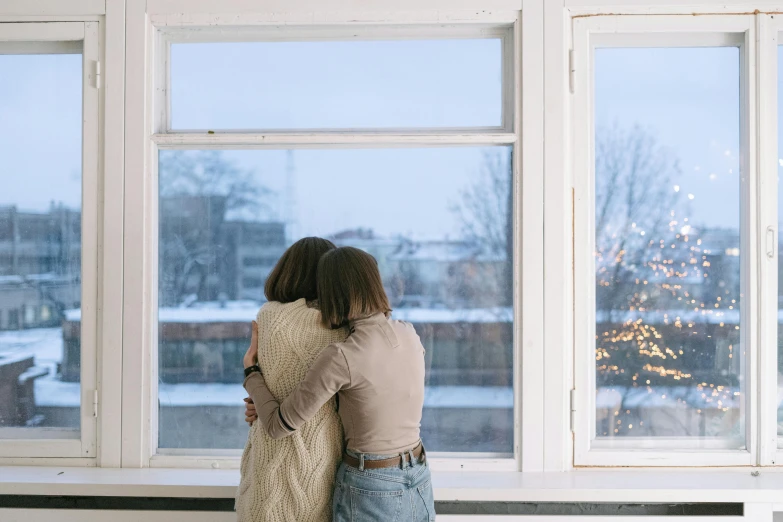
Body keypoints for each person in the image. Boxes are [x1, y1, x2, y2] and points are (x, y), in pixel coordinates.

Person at [243, 246, 435, 522]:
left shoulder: (343, 355)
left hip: (371, 484)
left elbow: (277, 426)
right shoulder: (409, 334)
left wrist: (251, 373)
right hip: (418, 474)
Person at [235, 237, 349, 522]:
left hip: (269, 458)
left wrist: (250, 375)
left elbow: (269, 385)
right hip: (323, 459)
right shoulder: (344, 326)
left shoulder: (271, 317)